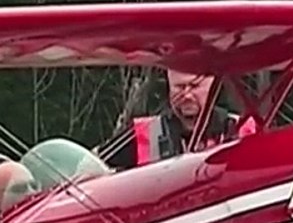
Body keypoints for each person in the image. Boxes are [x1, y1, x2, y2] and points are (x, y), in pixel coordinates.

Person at [106, 68, 256, 170]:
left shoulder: (243, 130)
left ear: (213, 86)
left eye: (194, 86)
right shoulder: (143, 134)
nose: (186, 95)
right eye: (179, 87)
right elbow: (96, 166)